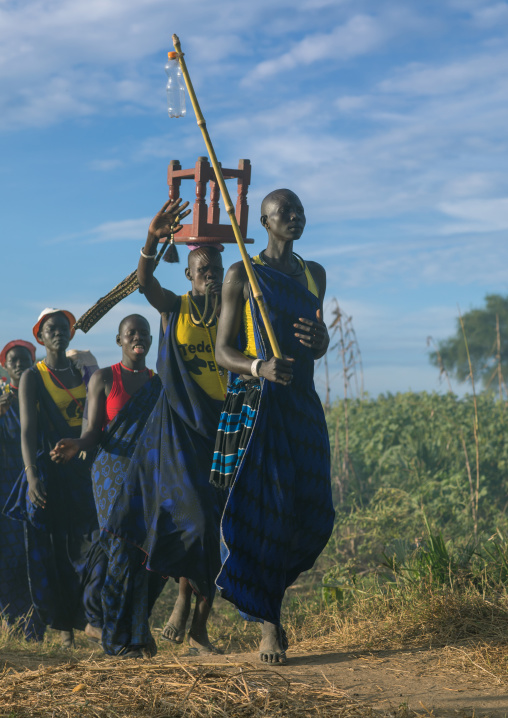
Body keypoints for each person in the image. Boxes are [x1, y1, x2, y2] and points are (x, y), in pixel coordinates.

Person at [211, 188, 335, 665]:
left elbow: (314, 342)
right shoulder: (243, 272)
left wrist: (321, 340)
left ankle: (271, 601)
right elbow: (224, 351)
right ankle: (269, 625)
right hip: (261, 404)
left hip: (301, 403)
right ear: (264, 221)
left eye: (300, 210)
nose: (295, 217)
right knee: (272, 509)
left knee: (310, 508)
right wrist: (259, 366)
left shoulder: (313, 274)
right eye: (285, 212)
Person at [131, 198, 226, 654]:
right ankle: (183, 594)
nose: (209, 272)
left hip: (224, 431)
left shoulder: (238, 311)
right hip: (180, 431)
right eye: (201, 267)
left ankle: (199, 625)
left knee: (218, 526)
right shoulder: (175, 307)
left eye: (216, 266)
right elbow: (143, 281)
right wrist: (153, 238)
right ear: (188, 273)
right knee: (197, 523)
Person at [51, 314, 164, 658]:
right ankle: (116, 638)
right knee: (119, 553)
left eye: (143, 333)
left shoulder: (158, 384)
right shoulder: (103, 378)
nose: (138, 338)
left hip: (149, 474)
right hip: (111, 472)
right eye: (131, 333)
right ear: (119, 340)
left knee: (148, 554)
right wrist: (75, 444)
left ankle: (137, 631)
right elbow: (93, 432)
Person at [4, 309, 106, 647]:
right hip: (50, 472)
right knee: (56, 550)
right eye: (51, 329)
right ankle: (64, 630)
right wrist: (32, 477)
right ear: (40, 337)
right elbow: (27, 433)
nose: (59, 333)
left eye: (64, 327)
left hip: (82, 473)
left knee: (94, 544)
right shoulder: (35, 376)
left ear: (72, 334)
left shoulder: (83, 374)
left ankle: (92, 618)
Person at [0, 340, 45, 640]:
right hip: (6, 486)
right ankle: (9, 622)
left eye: (24, 358)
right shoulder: (2, 401)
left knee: (34, 555)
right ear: (4, 366)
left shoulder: (41, 396)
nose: (18, 363)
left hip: (35, 482)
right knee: (8, 557)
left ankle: (35, 628)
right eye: (12, 360)